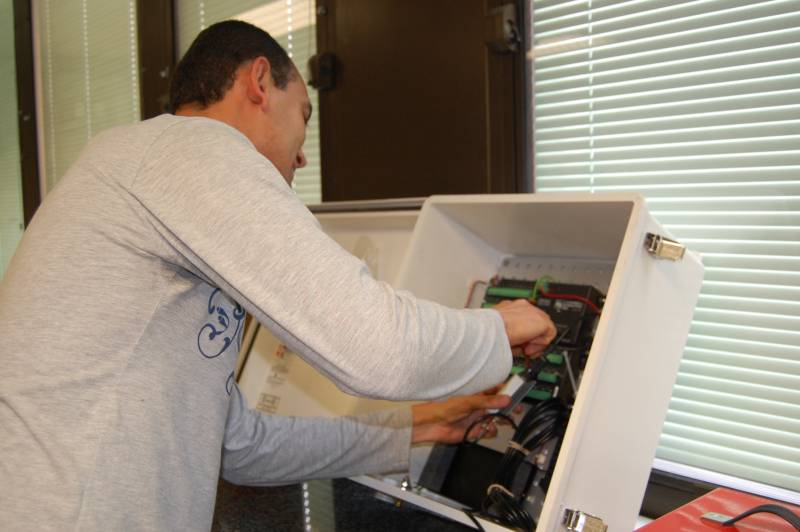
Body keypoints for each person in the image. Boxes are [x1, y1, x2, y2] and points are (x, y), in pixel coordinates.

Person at [0, 20, 555, 531]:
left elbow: (238, 444)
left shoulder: (147, 171)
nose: (302, 158)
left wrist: (418, 429)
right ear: (260, 83)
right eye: (304, 117)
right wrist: (498, 326)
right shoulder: (189, 151)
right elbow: (378, 347)